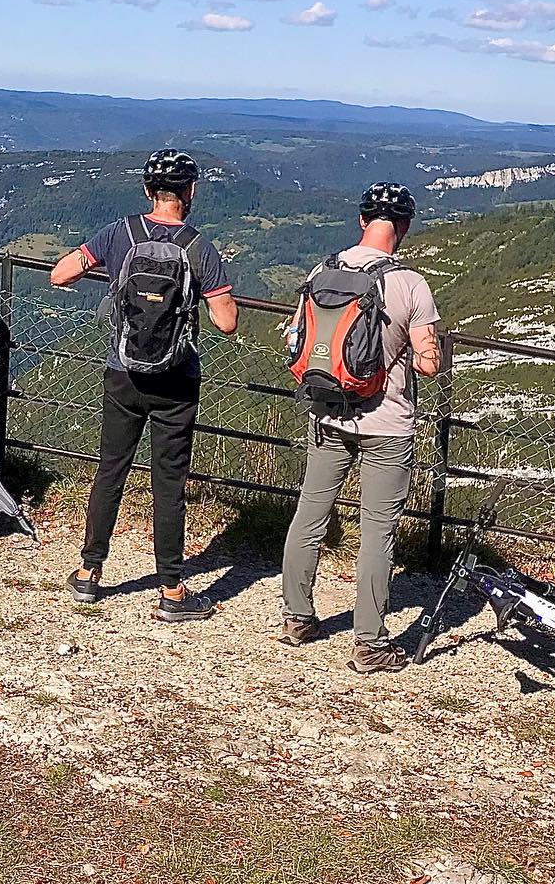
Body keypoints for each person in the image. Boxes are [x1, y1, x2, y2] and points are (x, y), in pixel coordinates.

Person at [49, 149, 239, 621]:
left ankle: (90, 573)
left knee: (110, 469)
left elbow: (60, 274)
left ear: (148, 191)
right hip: (176, 379)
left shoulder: (121, 233)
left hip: (123, 371)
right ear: (190, 192)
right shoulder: (198, 247)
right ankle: (173, 589)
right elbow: (228, 322)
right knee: (169, 481)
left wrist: (116, 279)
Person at [278, 182, 442, 671]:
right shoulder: (410, 284)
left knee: (312, 511)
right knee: (377, 528)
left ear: (360, 221)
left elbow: (300, 339)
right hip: (387, 421)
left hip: (327, 409)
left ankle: (296, 616)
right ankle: (369, 642)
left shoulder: (322, 270)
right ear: (405, 227)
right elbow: (430, 365)